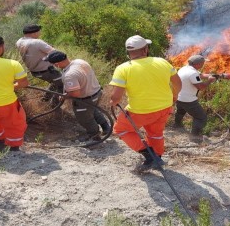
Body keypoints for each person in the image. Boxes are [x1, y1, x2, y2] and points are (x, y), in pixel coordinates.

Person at [109, 35, 182, 172]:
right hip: (165, 107)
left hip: (140, 111)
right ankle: (158, 158)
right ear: (145, 49)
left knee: (121, 129)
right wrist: (175, 95)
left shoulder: (123, 68)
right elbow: (177, 83)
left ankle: (150, 156)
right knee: (155, 133)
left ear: (128, 52)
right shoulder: (162, 62)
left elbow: (116, 96)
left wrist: (113, 101)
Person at [45, 50, 111, 141]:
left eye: (53, 64)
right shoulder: (79, 61)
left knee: (84, 117)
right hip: (96, 92)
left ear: (57, 64)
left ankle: (94, 135)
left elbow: (76, 93)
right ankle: (106, 127)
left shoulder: (69, 75)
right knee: (92, 109)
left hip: (85, 98)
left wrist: (64, 96)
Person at [174, 54, 217, 143]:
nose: (203, 64)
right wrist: (210, 80)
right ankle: (195, 136)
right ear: (197, 64)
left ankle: (177, 125)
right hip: (189, 100)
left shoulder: (184, 68)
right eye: (202, 63)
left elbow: (199, 75)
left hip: (179, 97)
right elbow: (200, 87)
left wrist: (209, 75)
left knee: (180, 111)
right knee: (201, 117)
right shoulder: (193, 73)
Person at [15, 24, 64, 99]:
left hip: (34, 72)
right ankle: (54, 105)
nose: (40, 33)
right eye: (39, 31)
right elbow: (55, 53)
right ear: (34, 33)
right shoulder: (37, 42)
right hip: (46, 71)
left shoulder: (19, 41)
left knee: (55, 82)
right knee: (62, 83)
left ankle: (45, 99)